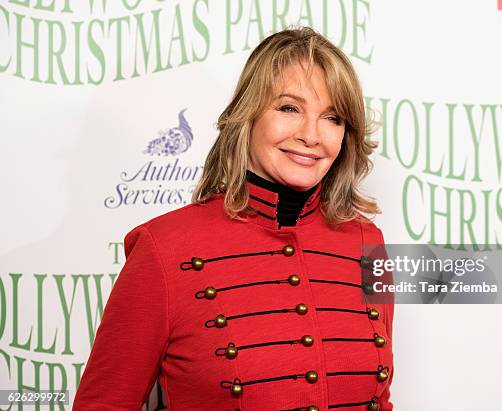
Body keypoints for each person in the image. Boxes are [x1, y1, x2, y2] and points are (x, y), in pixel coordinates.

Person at [73, 26, 394, 411]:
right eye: (289, 108)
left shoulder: (366, 243)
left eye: (333, 117)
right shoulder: (164, 248)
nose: (312, 135)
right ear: (248, 115)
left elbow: (380, 398)